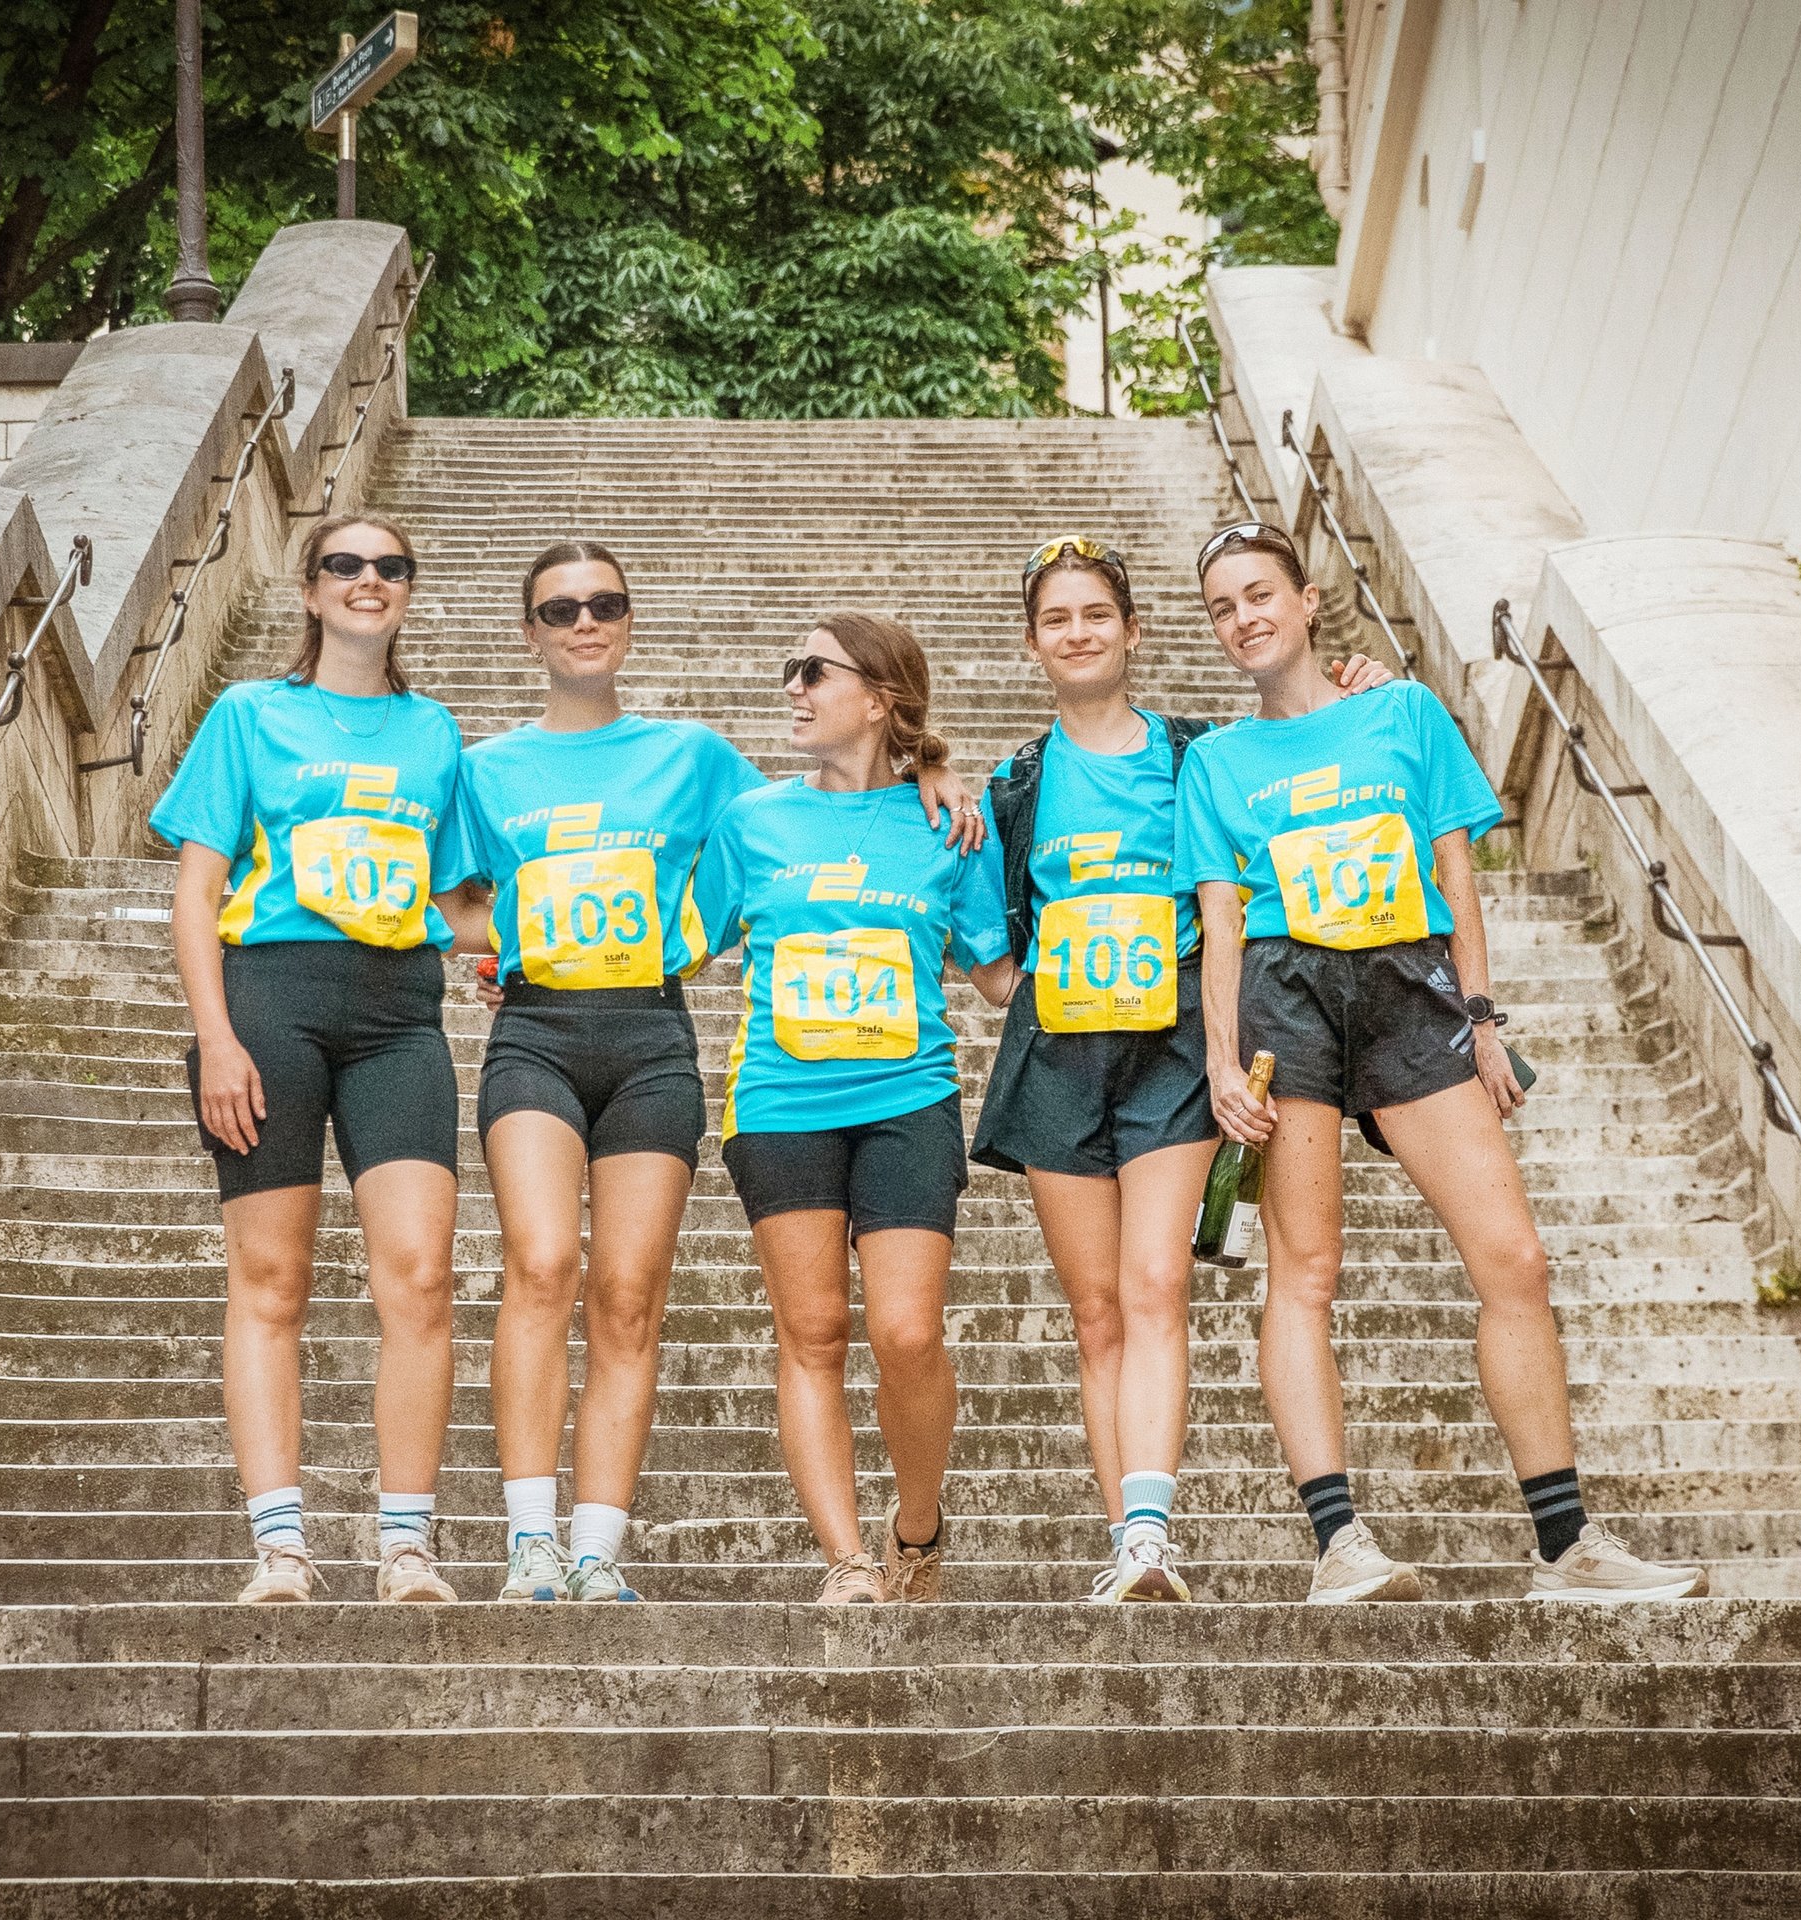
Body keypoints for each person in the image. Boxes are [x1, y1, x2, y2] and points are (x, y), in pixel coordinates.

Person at [1177, 520, 1707, 1603]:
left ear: (1309, 598)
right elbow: (1221, 922)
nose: (1244, 618)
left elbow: (1455, 872)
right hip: (1287, 997)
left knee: (1514, 1258)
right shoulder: (1216, 761)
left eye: (1259, 594)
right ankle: (1340, 1547)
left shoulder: (1404, 712)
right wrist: (1225, 1064)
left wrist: (1486, 1015)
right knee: (1305, 1273)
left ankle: (1568, 1547)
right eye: (1223, 606)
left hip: (1410, 993)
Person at [447, 547, 987, 1604]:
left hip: (789, 1070)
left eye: (605, 601)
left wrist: (932, 764)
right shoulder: (494, 767)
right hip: (641, 1061)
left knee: (879, 1327)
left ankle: (898, 1534)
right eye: (560, 607)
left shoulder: (705, 766)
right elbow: (477, 897)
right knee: (557, 1265)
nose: (584, 618)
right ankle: (553, 1543)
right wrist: (500, 954)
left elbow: (838, 810)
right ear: (529, 631)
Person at [972, 535, 1393, 1603]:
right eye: (1057, 619)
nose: (1078, 633)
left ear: (1133, 630)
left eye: (1096, 615)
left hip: (1174, 1049)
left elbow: (1302, 778)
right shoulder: (1014, 784)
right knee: (1096, 1311)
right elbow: (990, 967)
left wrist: (1363, 688)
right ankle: (1128, 1544)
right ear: (1033, 643)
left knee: (1157, 1283)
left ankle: (1152, 1537)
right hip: (1061, 1053)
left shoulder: (1200, 755)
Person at [153, 513, 474, 1606]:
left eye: (390, 568)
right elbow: (195, 893)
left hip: (398, 1014)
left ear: (408, 592)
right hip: (270, 1001)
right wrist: (217, 1039)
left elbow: (459, 903)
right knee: (272, 1279)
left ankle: (405, 1544)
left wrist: (524, 953)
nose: (368, 581)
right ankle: (281, 1546)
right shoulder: (251, 714)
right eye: (346, 565)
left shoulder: (434, 731)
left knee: (421, 1275)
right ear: (309, 589)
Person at [692, 614, 1017, 1603]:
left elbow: (998, 975)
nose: (793, 687)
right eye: (791, 670)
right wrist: (518, 960)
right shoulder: (751, 820)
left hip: (908, 1100)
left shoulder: (950, 821)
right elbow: (684, 941)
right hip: (781, 1103)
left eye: (814, 672)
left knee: (909, 1332)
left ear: (879, 697)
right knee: (814, 1331)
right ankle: (844, 1560)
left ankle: (915, 1532)